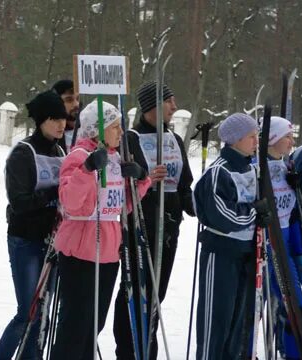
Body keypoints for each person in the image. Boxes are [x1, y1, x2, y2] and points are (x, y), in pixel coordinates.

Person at [50, 100, 155, 360]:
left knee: (93, 326)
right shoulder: (78, 157)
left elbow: (121, 206)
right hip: (81, 252)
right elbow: (70, 201)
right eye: (115, 126)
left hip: (108, 252)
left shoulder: (115, 157)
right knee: (76, 326)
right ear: (97, 129)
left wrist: (141, 180)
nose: (121, 132)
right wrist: (87, 170)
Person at [113, 81, 194, 359]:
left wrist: (196, 207)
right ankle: (127, 348)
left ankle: (147, 348)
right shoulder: (131, 138)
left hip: (169, 229)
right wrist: (145, 178)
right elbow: (121, 182)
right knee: (135, 291)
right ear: (150, 108)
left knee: (156, 296)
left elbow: (185, 185)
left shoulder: (175, 139)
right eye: (168, 101)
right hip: (140, 228)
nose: (174, 107)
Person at [0, 90, 67, 360]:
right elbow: (20, 202)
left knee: (43, 311)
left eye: (63, 118)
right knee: (29, 310)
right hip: (26, 240)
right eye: (54, 118)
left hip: (53, 241)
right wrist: (54, 193)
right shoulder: (23, 153)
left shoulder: (61, 150)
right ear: (41, 120)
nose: (61, 124)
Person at [193, 113, 271, 360]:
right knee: (218, 320)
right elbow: (222, 216)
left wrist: (264, 214)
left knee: (239, 322)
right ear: (235, 139)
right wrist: (253, 213)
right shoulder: (219, 172)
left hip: (247, 253)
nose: (256, 142)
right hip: (222, 252)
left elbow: (260, 204)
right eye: (251, 137)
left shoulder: (251, 168)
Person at [263, 116, 302, 359]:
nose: (292, 142)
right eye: (287, 137)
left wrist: (299, 253)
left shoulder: (287, 167)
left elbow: (292, 217)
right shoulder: (256, 167)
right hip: (261, 247)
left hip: (283, 246)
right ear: (272, 139)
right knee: (256, 311)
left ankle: (293, 354)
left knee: (296, 309)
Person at [52, 79, 80, 152]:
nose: (76, 104)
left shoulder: (89, 132)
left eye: (78, 99)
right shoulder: (48, 136)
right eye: (69, 100)